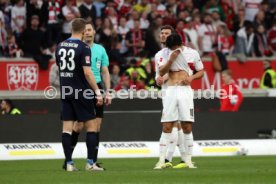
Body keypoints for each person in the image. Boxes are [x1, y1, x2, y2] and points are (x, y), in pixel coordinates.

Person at [55, 18, 103, 172]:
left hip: (66, 91)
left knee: (67, 128)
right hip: (81, 91)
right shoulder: (84, 47)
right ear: (83, 31)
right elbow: (88, 73)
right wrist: (97, 92)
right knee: (92, 126)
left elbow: (59, 67)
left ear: (71, 29)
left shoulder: (60, 46)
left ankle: (69, 163)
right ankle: (90, 163)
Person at [158, 33, 204, 169]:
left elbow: (201, 71)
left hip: (185, 91)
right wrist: (171, 60)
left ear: (180, 44)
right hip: (171, 90)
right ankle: (161, 160)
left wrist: (191, 78)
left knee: (187, 125)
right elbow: (161, 72)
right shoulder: (165, 53)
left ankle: (188, 161)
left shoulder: (192, 53)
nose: (171, 48)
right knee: (167, 125)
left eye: (173, 46)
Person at [70, 22, 111, 171]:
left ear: (94, 32)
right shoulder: (77, 48)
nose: (87, 32)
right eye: (85, 30)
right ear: (81, 32)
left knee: (97, 126)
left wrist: (108, 91)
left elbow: (105, 71)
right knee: (79, 125)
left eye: (89, 30)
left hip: (97, 87)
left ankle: (92, 161)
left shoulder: (100, 49)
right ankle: (68, 159)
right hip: (81, 88)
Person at [153, 25, 188, 170]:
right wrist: (158, 79)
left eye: (166, 33)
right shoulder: (159, 54)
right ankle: (184, 158)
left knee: (171, 124)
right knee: (175, 125)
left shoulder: (182, 52)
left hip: (179, 91)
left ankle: (167, 158)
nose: (163, 35)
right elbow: (158, 74)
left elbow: (184, 71)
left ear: (173, 36)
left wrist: (165, 75)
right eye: (161, 33)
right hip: (166, 92)